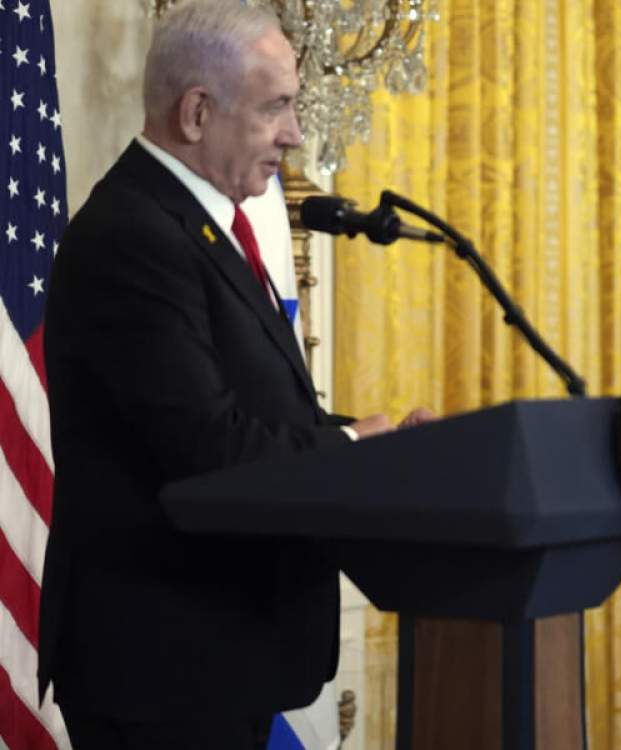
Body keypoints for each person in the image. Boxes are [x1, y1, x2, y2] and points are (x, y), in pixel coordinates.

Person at [37, 2, 429, 747]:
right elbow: (208, 446)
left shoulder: (199, 226)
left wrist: (374, 442)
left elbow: (255, 411)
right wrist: (351, 449)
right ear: (196, 113)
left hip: (218, 658)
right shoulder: (132, 236)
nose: (295, 134)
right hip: (164, 671)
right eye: (277, 107)